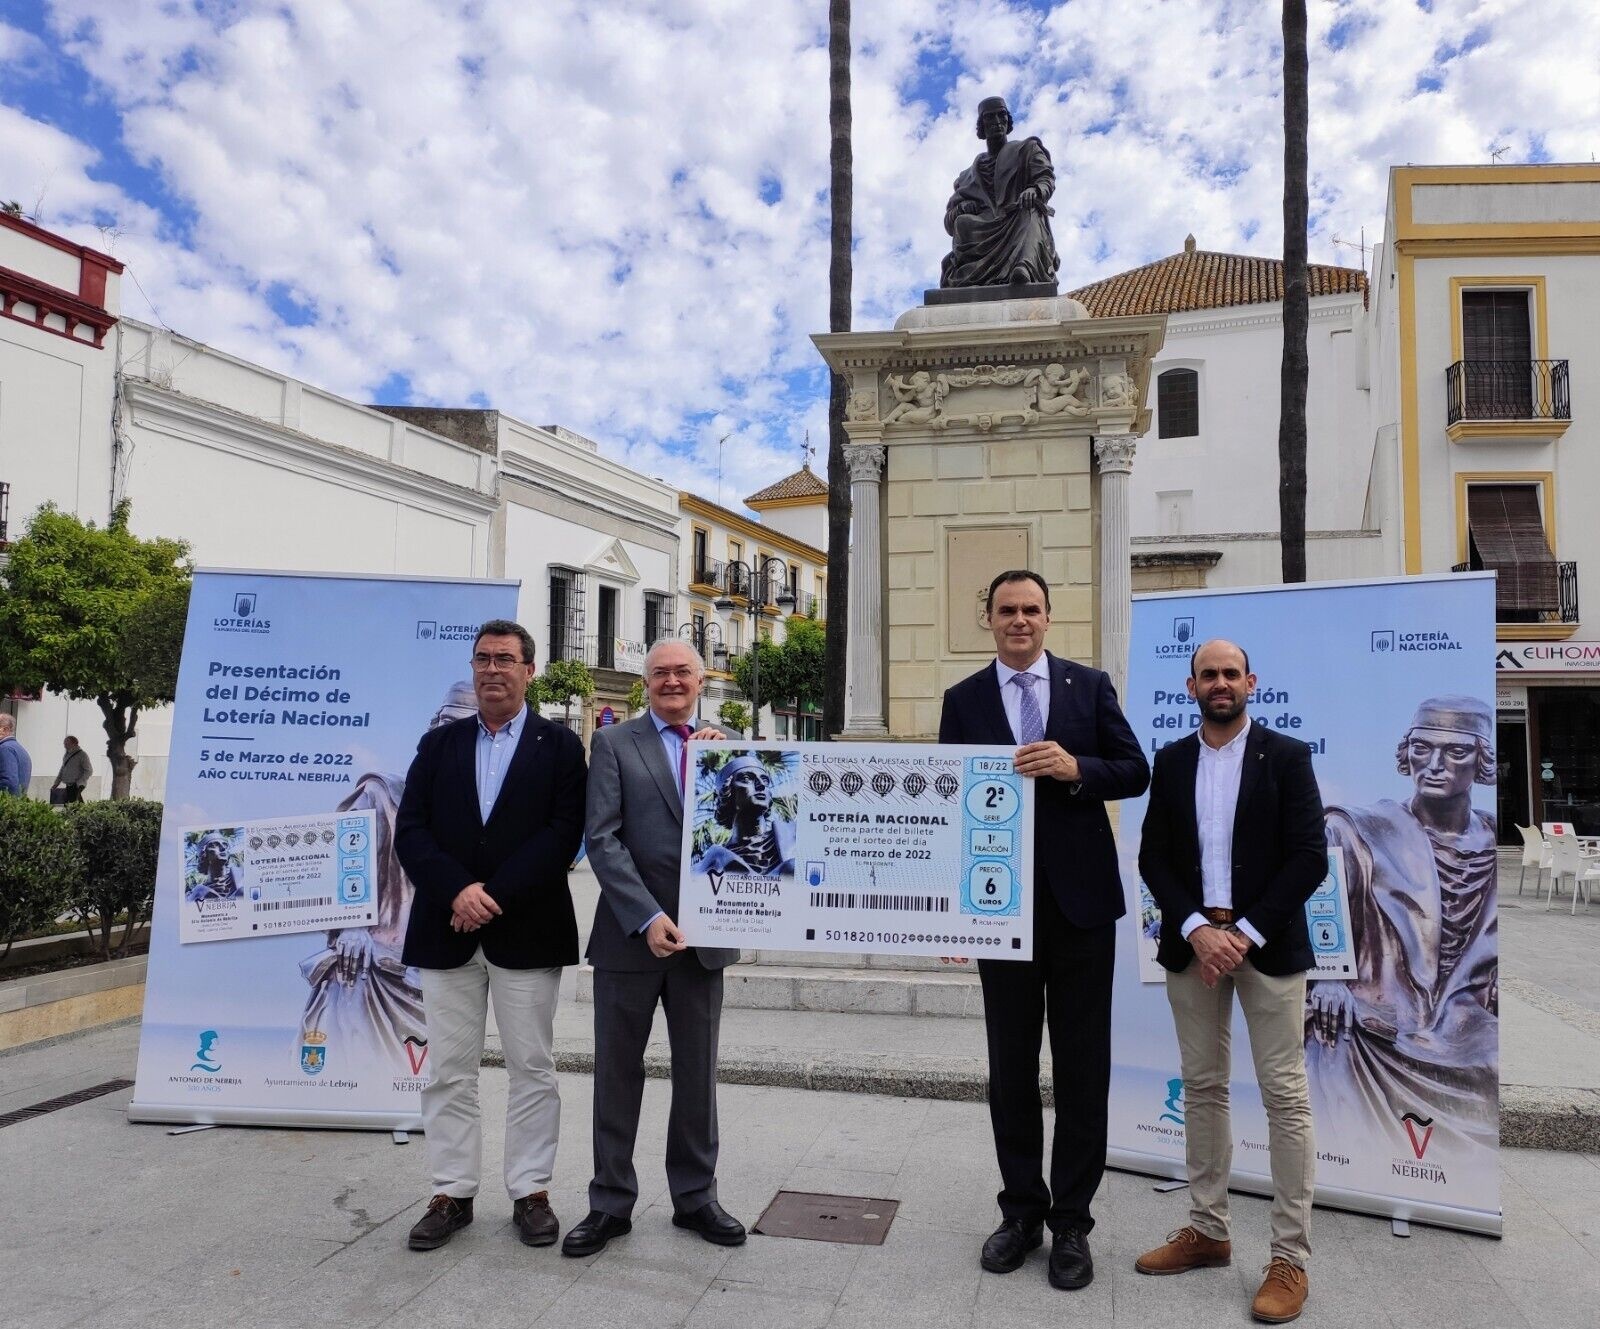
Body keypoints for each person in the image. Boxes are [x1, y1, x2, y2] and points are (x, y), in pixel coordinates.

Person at [938, 570, 1149, 1291]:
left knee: (1084, 1070)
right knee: (1011, 1071)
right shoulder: (962, 700)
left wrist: (1075, 767)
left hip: (1083, 908)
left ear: (1048, 618)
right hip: (999, 912)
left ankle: (1072, 1224)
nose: (1019, 620)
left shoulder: (1088, 688)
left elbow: (1135, 770)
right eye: (1006, 610)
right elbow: (948, 807)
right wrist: (951, 908)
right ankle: (1021, 1211)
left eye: (1031, 609)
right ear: (988, 618)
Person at [1135, 640, 1326, 1326]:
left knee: (1284, 1096)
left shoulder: (1289, 756)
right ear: (1192, 686)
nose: (1220, 683)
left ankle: (1289, 1257)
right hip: (1194, 947)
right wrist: (1195, 927)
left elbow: (1310, 858)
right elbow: (1153, 853)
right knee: (1205, 1087)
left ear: (1251, 681)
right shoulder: (1173, 759)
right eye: (1207, 674)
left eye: (1230, 673)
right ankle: (1209, 1231)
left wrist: (1242, 932)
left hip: (1266, 946)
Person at [395, 620, 586, 1253]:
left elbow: (562, 834)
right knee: (449, 1071)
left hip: (525, 929)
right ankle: (452, 1192)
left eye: (505, 659)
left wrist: (493, 896)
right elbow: (411, 832)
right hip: (446, 928)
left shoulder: (559, 746)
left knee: (533, 1067)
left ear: (529, 670)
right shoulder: (438, 745)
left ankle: (530, 1190)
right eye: (482, 659)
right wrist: (458, 890)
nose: (492, 669)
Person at [564, 639, 744, 1257]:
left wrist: (729, 768)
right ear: (646, 682)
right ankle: (610, 1202)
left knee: (698, 1075)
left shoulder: (728, 746)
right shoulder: (614, 743)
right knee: (617, 1074)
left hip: (703, 941)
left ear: (702, 679)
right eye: (661, 672)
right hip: (630, 937)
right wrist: (647, 917)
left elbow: (749, 832)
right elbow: (603, 838)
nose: (672, 681)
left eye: (682, 672)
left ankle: (696, 1197)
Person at [1306, 696, 1499, 1159]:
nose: (1434, 765)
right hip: (1377, 1005)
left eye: (1455, 752)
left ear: (1482, 760)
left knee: (1493, 1054)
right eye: (1421, 748)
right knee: (1335, 1039)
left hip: (1461, 1014)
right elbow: (1321, 903)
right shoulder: (1359, 828)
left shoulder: (1492, 838)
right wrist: (1330, 976)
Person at [299, 682, 478, 1075]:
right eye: (449, 726)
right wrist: (350, 926)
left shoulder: (482, 804)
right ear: (433, 728)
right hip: (375, 963)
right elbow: (345, 859)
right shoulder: (383, 794)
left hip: (444, 961)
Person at [940, 95, 1061, 289]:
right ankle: (971, 277)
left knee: (1029, 212)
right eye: (990, 117)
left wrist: (1035, 190)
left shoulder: (1027, 149)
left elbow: (1046, 178)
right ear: (982, 126)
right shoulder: (966, 177)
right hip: (984, 227)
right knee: (962, 223)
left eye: (1002, 115)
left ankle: (1024, 267)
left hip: (1017, 217)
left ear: (1008, 120)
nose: (997, 122)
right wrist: (962, 208)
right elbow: (949, 223)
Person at [690, 754, 796, 877]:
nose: (761, 785)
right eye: (746, 778)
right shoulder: (708, 866)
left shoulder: (795, 836)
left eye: (765, 780)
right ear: (727, 793)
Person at [186, 832, 242, 901]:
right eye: (215, 845)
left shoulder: (241, 875)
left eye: (225, 845)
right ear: (204, 854)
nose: (223, 848)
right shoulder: (196, 894)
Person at [52, 735, 93, 803]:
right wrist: (56, 783)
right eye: (64, 744)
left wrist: (80, 782)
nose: (65, 746)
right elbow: (62, 770)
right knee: (73, 804)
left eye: (67, 743)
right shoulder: (67, 755)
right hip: (69, 785)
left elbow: (89, 771)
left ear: (74, 743)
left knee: (73, 804)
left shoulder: (82, 755)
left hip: (77, 785)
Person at [0, 714, 32, 798]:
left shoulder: (4, 749)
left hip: (7, 805)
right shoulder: (19, 748)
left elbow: (8, 783)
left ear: (4, 730)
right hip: (16, 805)